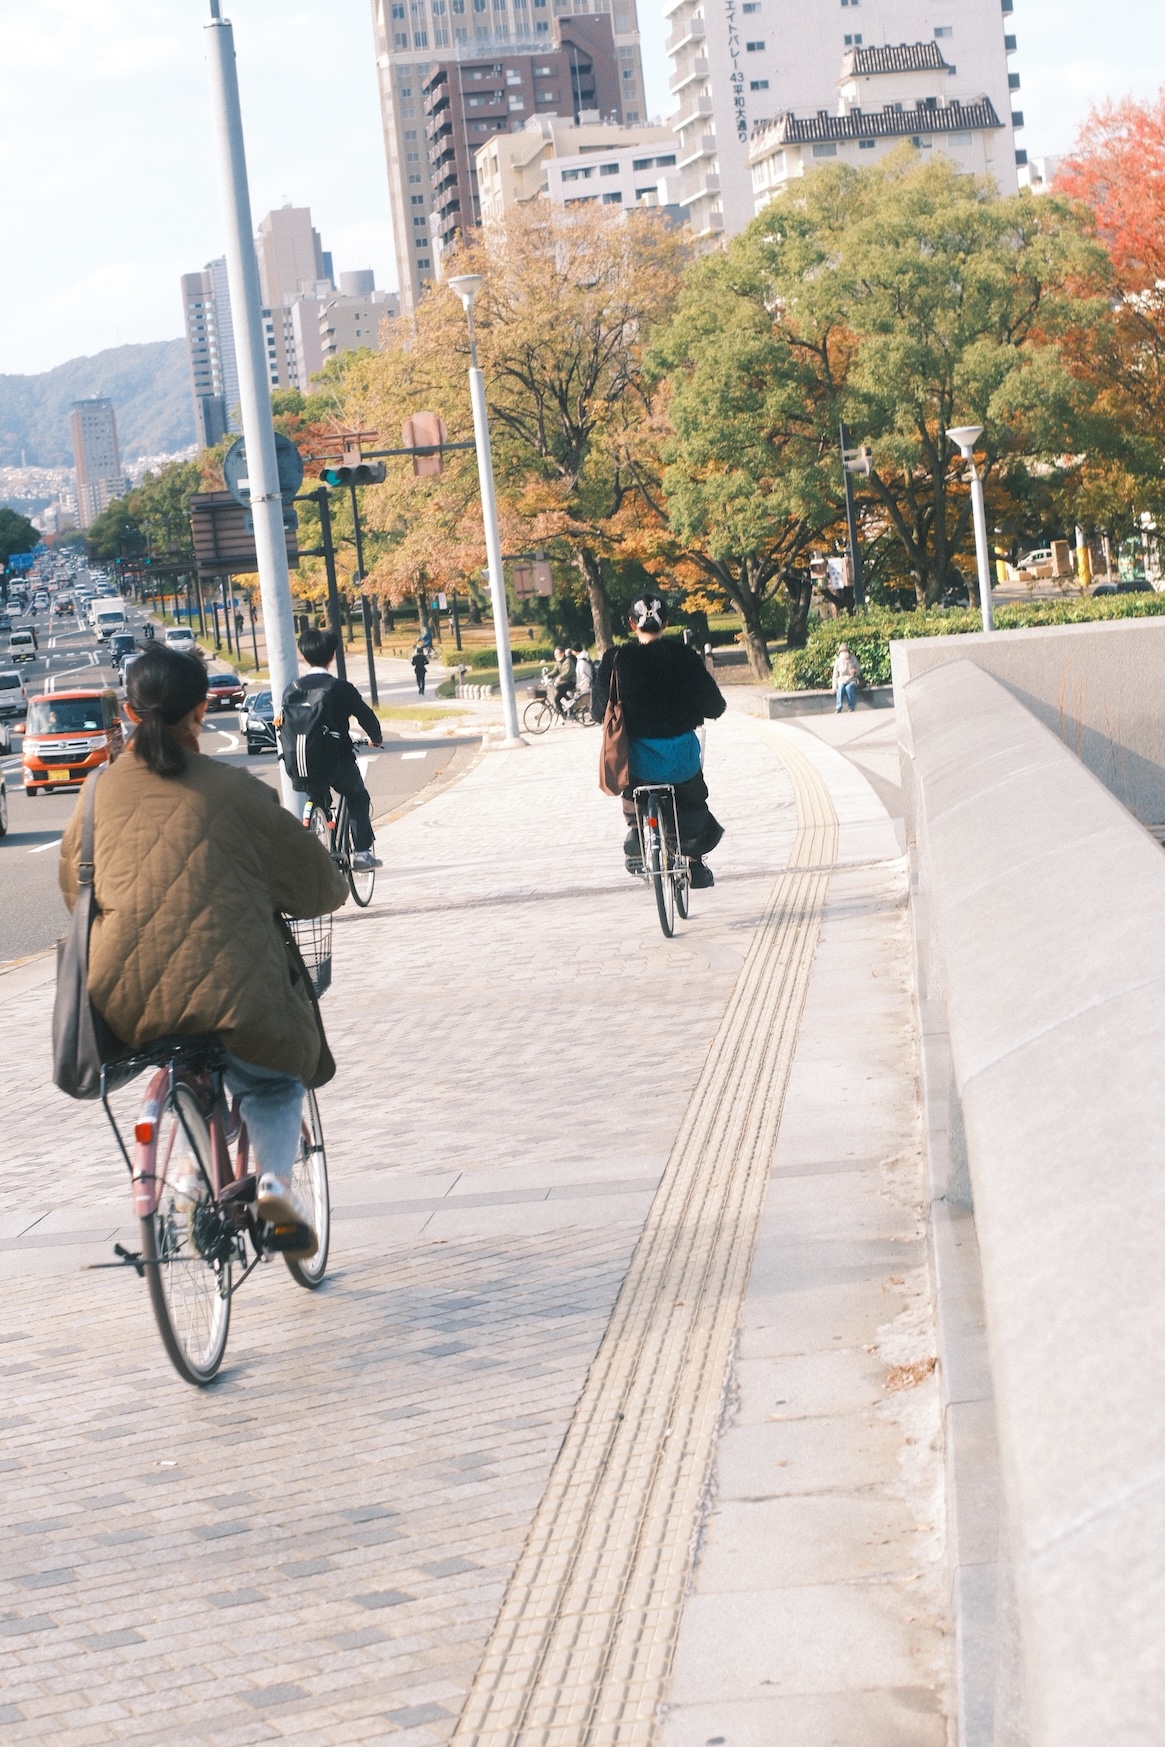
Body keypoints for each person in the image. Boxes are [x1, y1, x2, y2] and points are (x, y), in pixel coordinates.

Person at [59, 644, 348, 1254]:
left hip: (123, 997)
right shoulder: (236, 791)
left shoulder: (94, 794)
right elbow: (319, 887)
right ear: (201, 710)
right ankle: (272, 1188)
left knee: (181, 1057)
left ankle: (189, 1179)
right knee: (271, 1079)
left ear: (129, 712)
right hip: (236, 992)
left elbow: (74, 889)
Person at [592, 596, 726, 890]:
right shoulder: (684, 657)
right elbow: (715, 707)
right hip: (679, 758)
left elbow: (596, 711)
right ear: (666, 623)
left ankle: (636, 830)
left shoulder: (615, 660)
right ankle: (694, 862)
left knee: (634, 789)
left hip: (636, 761)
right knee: (692, 799)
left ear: (631, 624)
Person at [283, 628, 384, 869]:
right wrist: (375, 738)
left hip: (301, 762)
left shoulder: (291, 689)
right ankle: (361, 854)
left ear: (304, 655)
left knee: (317, 794)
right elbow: (365, 715)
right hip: (336, 760)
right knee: (357, 796)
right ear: (332, 655)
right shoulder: (339, 688)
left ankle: (321, 827)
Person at [831, 642, 861, 712]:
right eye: (842, 651)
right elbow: (835, 675)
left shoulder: (853, 659)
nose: (844, 653)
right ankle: (838, 707)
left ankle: (851, 707)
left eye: (846, 651)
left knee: (849, 688)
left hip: (852, 680)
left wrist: (855, 671)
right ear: (840, 653)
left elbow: (859, 670)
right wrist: (834, 687)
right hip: (841, 680)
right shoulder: (838, 662)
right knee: (840, 688)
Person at [549, 646, 576, 715]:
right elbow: (555, 671)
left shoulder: (568, 661)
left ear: (562, 653)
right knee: (559, 690)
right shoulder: (558, 662)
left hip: (571, 682)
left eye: (557, 654)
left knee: (557, 698)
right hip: (564, 682)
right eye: (555, 654)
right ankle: (570, 702)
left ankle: (563, 714)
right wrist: (547, 676)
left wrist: (560, 678)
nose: (555, 656)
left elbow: (568, 672)